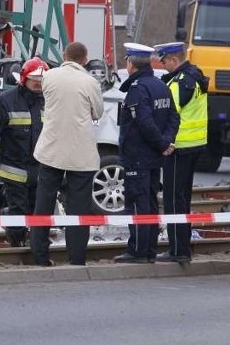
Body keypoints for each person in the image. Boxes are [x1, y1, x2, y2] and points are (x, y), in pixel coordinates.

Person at [30, 42, 104, 266]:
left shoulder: (50, 76)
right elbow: (98, 112)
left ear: (65, 55)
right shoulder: (90, 82)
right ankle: (77, 259)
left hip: (51, 150)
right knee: (79, 207)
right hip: (81, 154)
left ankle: (40, 256)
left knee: (43, 202)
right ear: (84, 59)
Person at [114, 43, 179, 264]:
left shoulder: (138, 89)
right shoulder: (161, 86)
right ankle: (149, 249)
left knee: (137, 203)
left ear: (130, 64)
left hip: (138, 156)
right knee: (150, 202)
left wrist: (162, 143)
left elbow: (144, 123)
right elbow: (173, 118)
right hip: (154, 156)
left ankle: (138, 251)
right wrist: (166, 142)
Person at [0, 57, 48, 247]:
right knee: (18, 208)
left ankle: (36, 245)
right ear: (24, 78)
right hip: (13, 167)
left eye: (42, 79)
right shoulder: (6, 101)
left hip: (41, 168)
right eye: (35, 78)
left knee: (39, 209)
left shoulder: (49, 100)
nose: (38, 83)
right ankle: (16, 243)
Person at [154, 41, 209, 263]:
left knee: (174, 200)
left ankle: (178, 250)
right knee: (183, 198)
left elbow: (168, 113)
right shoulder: (196, 76)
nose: (163, 64)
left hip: (178, 147)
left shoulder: (179, 83)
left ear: (175, 60)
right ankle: (182, 247)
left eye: (165, 61)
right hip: (194, 146)